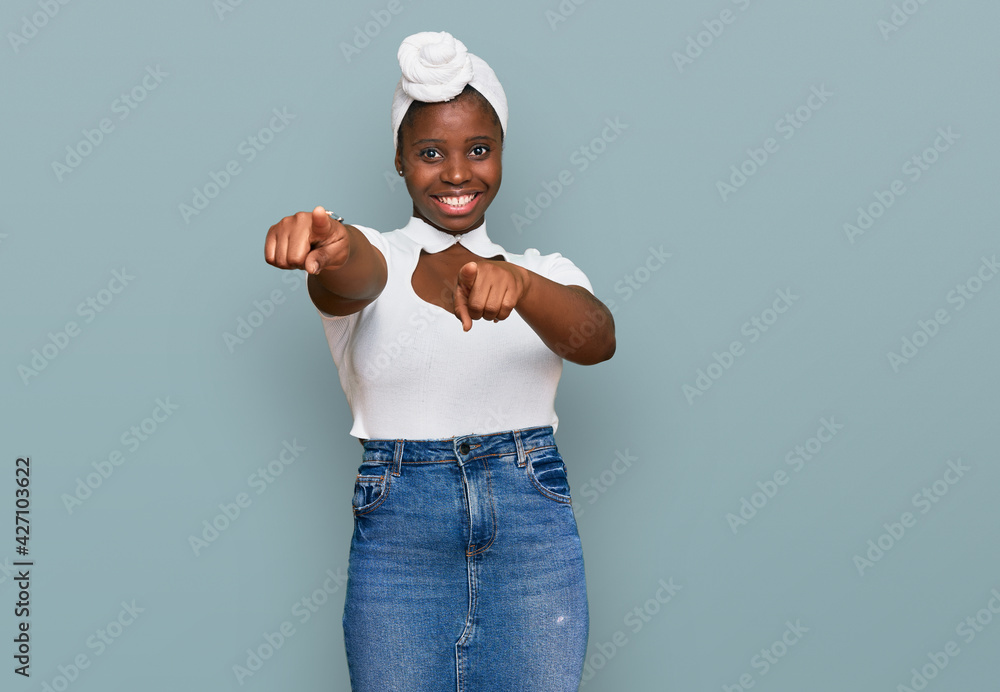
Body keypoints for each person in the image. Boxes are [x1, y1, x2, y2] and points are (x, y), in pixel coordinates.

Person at [264, 30, 615, 692]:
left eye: (479, 150)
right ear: (399, 161)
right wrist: (331, 248)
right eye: (430, 153)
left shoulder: (547, 272)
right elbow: (350, 276)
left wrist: (523, 287)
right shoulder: (372, 254)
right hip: (400, 541)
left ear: (503, 154)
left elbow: (597, 339)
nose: (457, 173)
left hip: (532, 535)